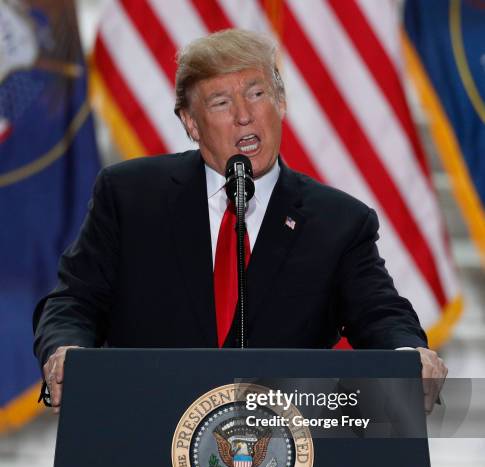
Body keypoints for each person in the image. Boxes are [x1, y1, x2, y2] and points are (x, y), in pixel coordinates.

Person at [33, 29, 447, 412]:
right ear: (191, 123)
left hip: (284, 455)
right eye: (221, 102)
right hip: (146, 437)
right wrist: (65, 351)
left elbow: (381, 314)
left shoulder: (338, 222)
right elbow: (74, 301)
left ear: (281, 103)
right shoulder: (129, 196)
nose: (244, 115)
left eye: (257, 93)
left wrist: (407, 355)